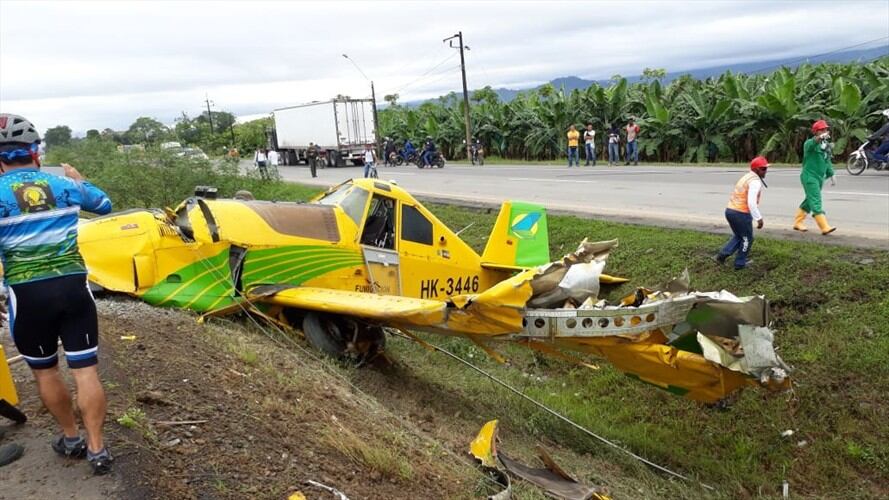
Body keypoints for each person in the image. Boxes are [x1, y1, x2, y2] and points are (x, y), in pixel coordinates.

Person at [0, 113, 114, 474]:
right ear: (36, 152)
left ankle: (71, 438)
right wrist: (81, 179)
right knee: (85, 370)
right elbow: (105, 204)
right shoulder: (64, 185)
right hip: (72, 288)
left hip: (27, 295)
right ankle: (98, 449)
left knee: (46, 372)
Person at [715, 156, 769, 270]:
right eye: (763, 168)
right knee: (747, 239)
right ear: (756, 170)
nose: (765, 171)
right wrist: (759, 218)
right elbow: (751, 203)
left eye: (766, 168)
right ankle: (740, 264)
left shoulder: (746, 177)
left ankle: (721, 256)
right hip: (741, 213)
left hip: (730, 211)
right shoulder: (755, 182)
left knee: (739, 236)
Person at [794, 120, 837, 234]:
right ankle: (824, 226)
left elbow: (827, 161)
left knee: (809, 200)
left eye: (826, 129)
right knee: (816, 200)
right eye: (822, 130)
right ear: (816, 132)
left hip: (819, 178)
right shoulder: (809, 143)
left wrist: (831, 174)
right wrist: (819, 138)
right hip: (809, 177)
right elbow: (813, 143)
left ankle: (798, 222)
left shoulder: (826, 146)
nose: (825, 131)